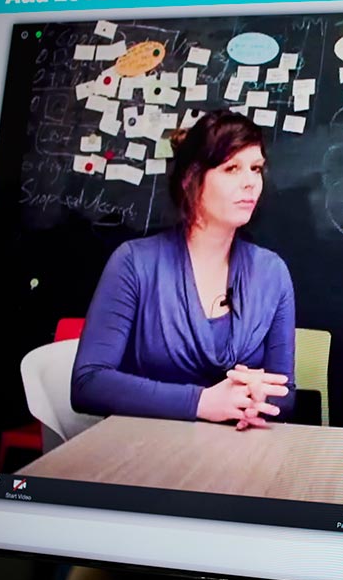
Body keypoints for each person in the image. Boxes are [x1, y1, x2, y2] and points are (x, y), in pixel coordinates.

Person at [72, 110, 295, 430]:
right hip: (145, 444)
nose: (250, 182)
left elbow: (285, 394)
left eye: (256, 168)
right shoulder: (134, 263)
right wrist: (201, 402)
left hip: (235, 446)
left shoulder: (272, 273)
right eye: (232, 168)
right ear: (191, 178)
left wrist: (257, 396)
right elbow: (88, 384)